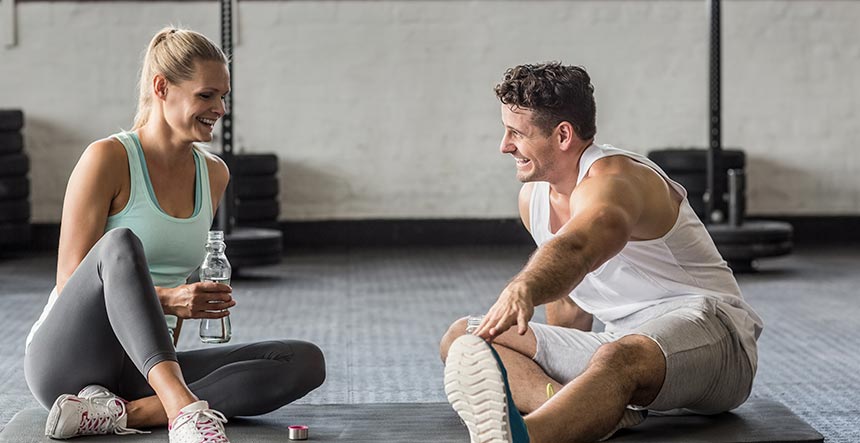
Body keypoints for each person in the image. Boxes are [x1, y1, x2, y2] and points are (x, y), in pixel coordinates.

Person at [24, 27, 325, 442]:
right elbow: (70, 277)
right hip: (68, 361)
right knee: (120, 243)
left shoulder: (214, 174)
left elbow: (181, 281)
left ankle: (124, 413)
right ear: (162, 87)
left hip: (142, 369)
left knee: (303, 360)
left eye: (223, 96)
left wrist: (179, 314)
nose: (219, 108)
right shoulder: (107, 158)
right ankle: (182, 410)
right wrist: (168, 299)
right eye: (206, 95)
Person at [439, 62, 762, 443]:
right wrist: (567, 376)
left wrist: (523, 286)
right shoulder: (534, 199)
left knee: (617, 357)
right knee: (464, 335)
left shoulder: (617, 182)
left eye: (516, 133)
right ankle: (582, 410)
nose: (504, 145)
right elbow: (570, 301)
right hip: (622, 344)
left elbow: (578, 249)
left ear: (562, 135)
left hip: (714, 338)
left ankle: (527, 437)